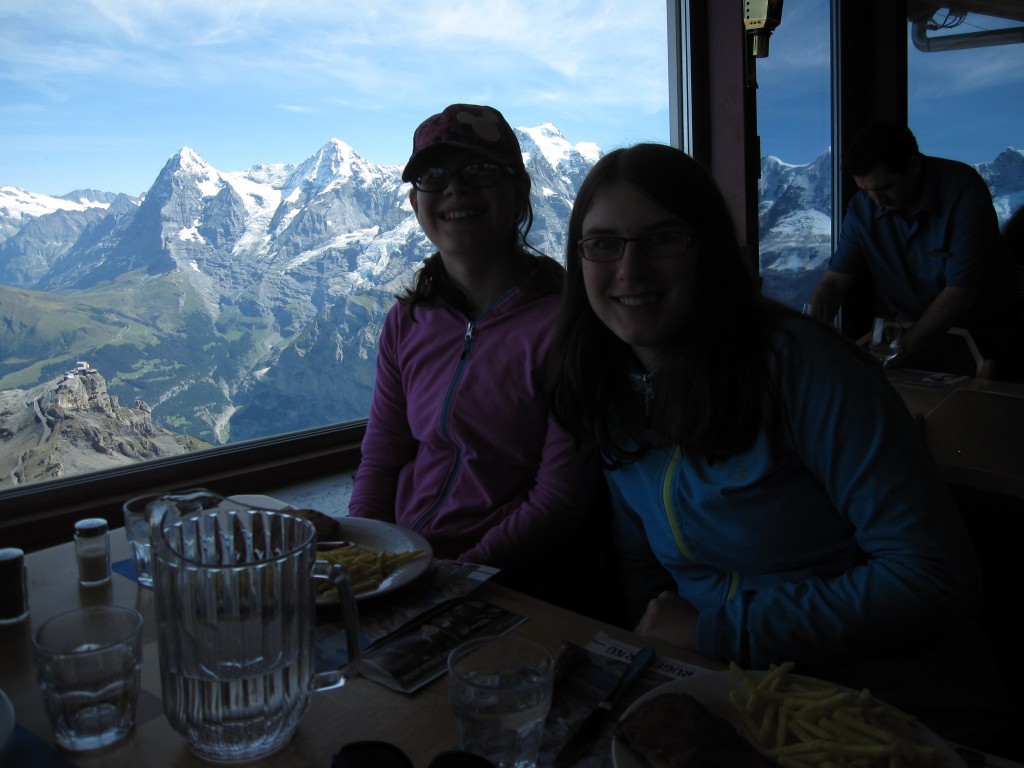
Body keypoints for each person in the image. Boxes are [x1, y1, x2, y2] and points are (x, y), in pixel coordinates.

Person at [547, 143, 1020, 751]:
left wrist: (719, 633)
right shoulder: (613, 389)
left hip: (890, 712)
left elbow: (933, 578)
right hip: (736, 707)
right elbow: (644, 569)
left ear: (709, 251)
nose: (629, 270)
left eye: (663, 239)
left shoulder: (803, 367)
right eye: (604, 243)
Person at [348, 104, 600, 607]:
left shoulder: (568, 324)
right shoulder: (407, 321)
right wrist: (362, 551)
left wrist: (459, 574)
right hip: (406, 570)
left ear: (519, 191)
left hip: (517, 586)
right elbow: (382, 456)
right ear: (416, 202)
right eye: (432, 175)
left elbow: (561, 498)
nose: (455, 189)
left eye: (480, 171)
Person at [810, 120, 1020, 378]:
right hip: (905, 335)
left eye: (884, 188)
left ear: (913, 167)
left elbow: (959, 294)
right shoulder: (861, 208)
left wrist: (896, 353)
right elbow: (835, 281)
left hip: (979, 340)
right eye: (866, 190)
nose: (876, 200)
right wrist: (812, 334)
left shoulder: (963, 191)